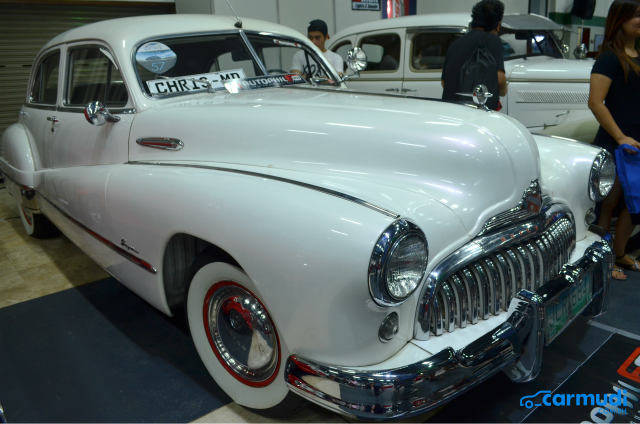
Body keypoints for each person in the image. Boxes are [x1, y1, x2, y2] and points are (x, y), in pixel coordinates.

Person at [588, 0, 640, 279]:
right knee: (608, 204)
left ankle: (619, 253)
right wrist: (620, 137)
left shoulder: (637, 54)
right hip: (616, 142)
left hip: (636, 142)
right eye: (637, 16)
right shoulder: (609, 57)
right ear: (620, 20)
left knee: (634, 203)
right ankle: (602, 263)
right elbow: (596, 102)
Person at [441, 0, 508, 110]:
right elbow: (499, 79)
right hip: (479, 114)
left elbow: (444, 82)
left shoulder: (455, 44)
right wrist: (503, 90)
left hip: (451, 111)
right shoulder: (492, 40)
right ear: (497, 25)